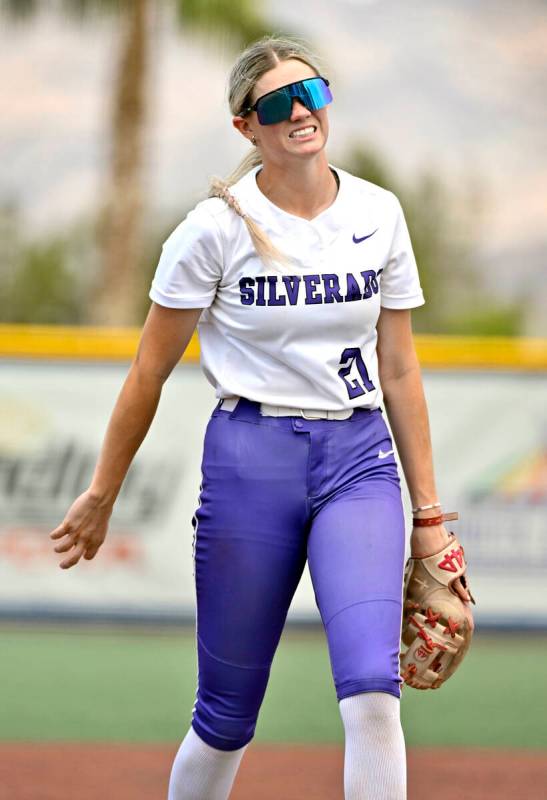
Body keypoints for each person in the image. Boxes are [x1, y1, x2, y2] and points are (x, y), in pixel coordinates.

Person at [50, 34, 474, 800]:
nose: (301, 111)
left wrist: (430, 516)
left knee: (373, 695)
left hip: (357, 458)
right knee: (224, 716)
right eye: (277, 102)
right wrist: (104, 491)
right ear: (247, 127)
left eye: (312, 92)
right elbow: (149, 370)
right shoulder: (213, 230)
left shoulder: (378, 213)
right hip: (251, 461)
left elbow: (400, 368)